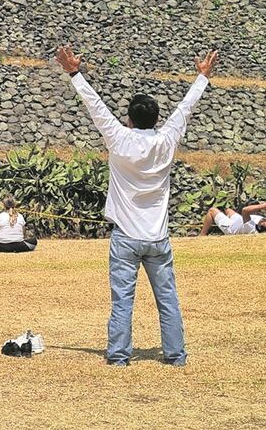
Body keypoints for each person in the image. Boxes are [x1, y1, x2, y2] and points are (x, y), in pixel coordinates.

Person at [57, 46, 218, 367]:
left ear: (129, 119)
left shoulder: (118, 138)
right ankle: (175, 356)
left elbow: (96, 106)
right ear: (157, 119)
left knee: (122, 301)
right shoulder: (166, 140)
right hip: (157, 237)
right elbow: (185, 108)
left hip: (125, 238)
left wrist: (74, 73)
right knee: (168, 300)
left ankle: (118, 357)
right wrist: (202, 77)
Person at [198, 201, 266, 236]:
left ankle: (202, 235)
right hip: (238, 219)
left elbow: (245, 210)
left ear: (260, 227)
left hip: (230, 227)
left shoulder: (252, 228)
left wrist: (263, 206)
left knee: (212, 211)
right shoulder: (261, 221)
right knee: (227, 209)